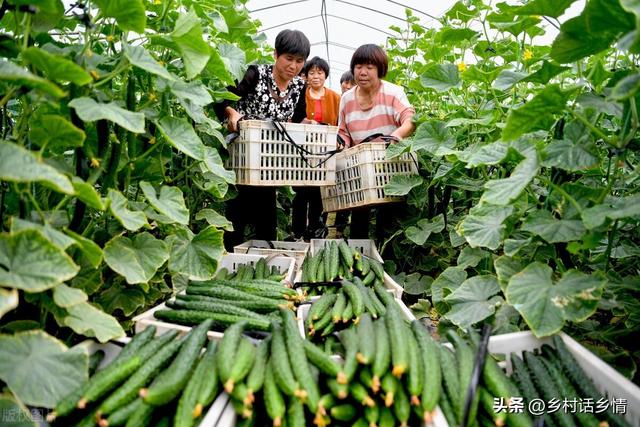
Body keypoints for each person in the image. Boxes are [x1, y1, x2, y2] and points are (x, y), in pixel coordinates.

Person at [214, 29, 311, 250]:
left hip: (270, 161)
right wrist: (232, 113)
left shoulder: (298, 86)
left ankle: (265, 265)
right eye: (288, 58)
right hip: (242, 156)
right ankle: (231, 259)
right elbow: (222, 100)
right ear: (276, 55)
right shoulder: (255, 74)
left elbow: (298, 118)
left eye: (299, 61)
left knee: (267, 220)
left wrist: (310, 126)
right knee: (236, 215)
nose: (293, 66)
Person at [337, 44, 415, 241]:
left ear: (380, 70)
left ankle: (386, 261)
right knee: (359, 218)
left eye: (370, 67)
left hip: (389, 164)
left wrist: (396, 135)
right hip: (360, 166)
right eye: (359, 66)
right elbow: (343, 131)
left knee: (386, 220)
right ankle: (358, 261)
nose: (363, 72)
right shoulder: (346, 99)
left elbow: (410, 119)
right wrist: (341, 144)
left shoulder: (393, 93)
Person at [291, 57, 341, 241]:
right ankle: (297, 232)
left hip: (324, 153)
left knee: (319, 192)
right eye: (311, 72)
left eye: (320, 72)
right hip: (302, 151)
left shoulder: (336, 97)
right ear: (306, 76)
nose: (316, 76)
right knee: (301, 192)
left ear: (325, 75)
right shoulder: (299, 95)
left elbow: (340, 123)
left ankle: (315, 230)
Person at [334, 70, 358, 237]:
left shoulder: (356, 104)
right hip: (336, 152)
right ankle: (326, 224)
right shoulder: (339, 101)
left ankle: (340, 228)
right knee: (332, 189)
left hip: (352, 154)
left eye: (350, 83)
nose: (346, 86)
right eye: (344, 83)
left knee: (348, 190)